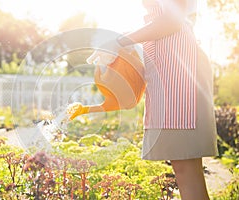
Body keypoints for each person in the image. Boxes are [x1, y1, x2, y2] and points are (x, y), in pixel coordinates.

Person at [85, 0, 218, 199]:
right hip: (168, 70)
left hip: (181, 70)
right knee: (183, 168)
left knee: (187, 167)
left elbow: (172, 20)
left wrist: (121, 40)